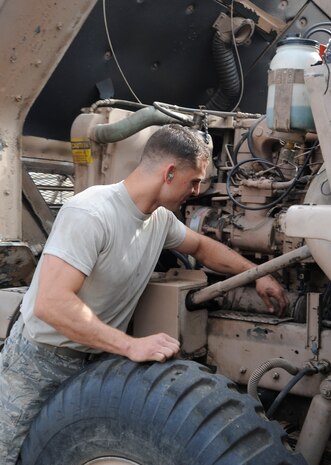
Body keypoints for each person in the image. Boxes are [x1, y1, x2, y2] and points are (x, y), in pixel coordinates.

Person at [0, 123, 288, 464]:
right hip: (41, 360)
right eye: (194, 181)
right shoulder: (91, 212)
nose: (197, 191)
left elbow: (201, 246)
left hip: (96, 358)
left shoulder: (160, 220)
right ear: (169, 173)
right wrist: (130, 345)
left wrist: (256, 275)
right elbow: (52, 303)